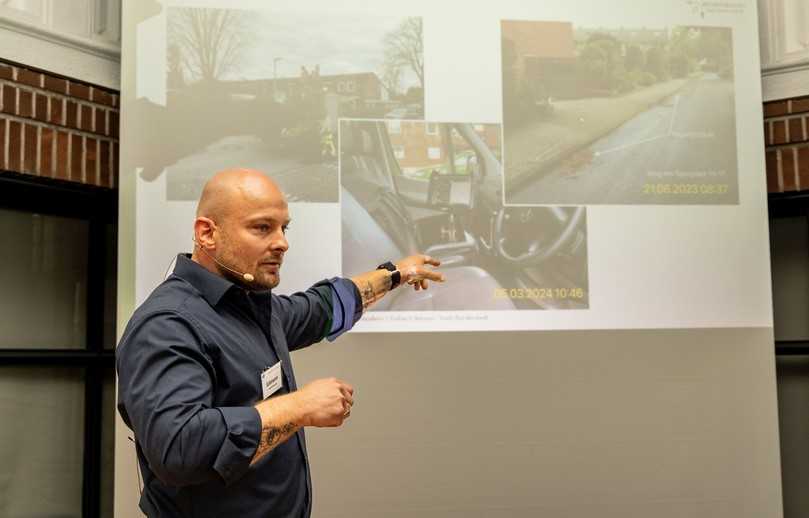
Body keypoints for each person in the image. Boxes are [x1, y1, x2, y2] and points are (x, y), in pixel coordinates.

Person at [116, 168, 444, 517]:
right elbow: (179, 449)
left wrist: (396, 274)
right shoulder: (168, 324)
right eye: (262, 227)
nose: (281, 242)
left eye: (283, 228)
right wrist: (300, 407)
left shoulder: (251, 307)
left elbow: (324, 306)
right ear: (207, 233)